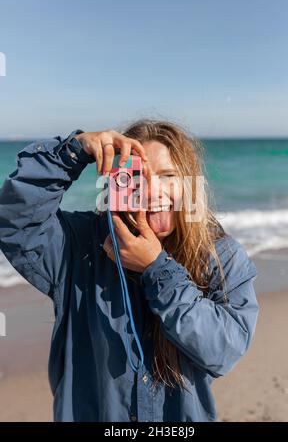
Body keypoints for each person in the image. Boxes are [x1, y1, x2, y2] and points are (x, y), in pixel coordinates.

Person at [0, 119, 259, 422]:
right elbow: (15, 220)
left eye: (168, 176)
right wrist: (73, 151)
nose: (153, 192)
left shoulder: (219, 255)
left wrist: (157, 269)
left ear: (190, 183)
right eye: (138, 177)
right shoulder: (81, 244)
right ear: (117, 183)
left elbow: (223, 348)